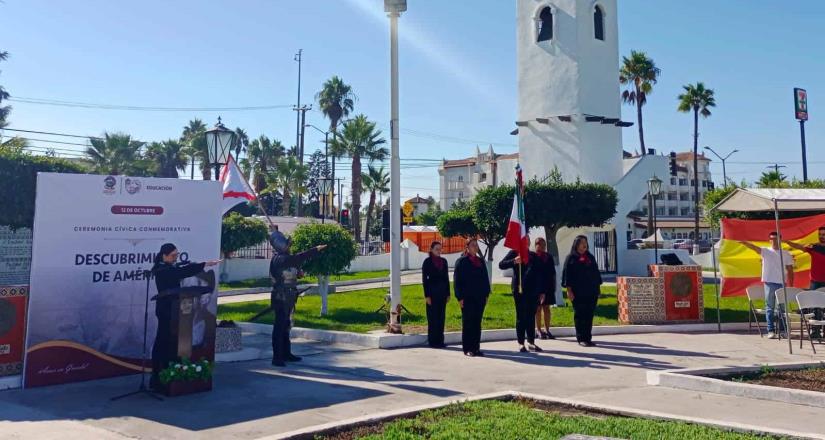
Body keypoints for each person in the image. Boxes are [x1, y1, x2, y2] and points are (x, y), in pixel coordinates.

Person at [150, 243, 220, 389]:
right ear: (164, 255)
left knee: (176, 342)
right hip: (165, 310)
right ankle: (158, 375)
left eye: (177, 255)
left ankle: (175, 370)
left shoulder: (171, 267)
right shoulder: (161, 270)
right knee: (164, 340)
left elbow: (183, 271)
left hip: (176, 310)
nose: (176, 258)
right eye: (173, 256)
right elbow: (182, 272)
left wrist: (203, 265)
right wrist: (204, 264)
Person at [269, 230, 327, 367]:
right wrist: (315, 249)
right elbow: (299, 257)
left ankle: (286, 354)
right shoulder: (280, 259)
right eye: (288, 245)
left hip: (289, 296)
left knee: (286, 326)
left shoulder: (287, 259)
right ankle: (277, 357)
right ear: (281, 246)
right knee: (279, 327)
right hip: (280, 296)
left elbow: (295, 271)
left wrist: (298, 273)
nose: (290, 247)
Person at [739, 231, 794, 339]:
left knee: (782, 308)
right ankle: (771, 330)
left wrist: (791, 285)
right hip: (769, 282)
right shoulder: (766, 251)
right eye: (772, 239)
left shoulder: (786, 254)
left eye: (776, 238)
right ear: (769, 240)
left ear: (780, 240)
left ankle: (783, 330)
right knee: (770, 308)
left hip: (782, 283)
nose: (774, 241)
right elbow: (755, 248)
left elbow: (790, 270)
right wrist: (745, 243)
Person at [499, 244, 544, 353]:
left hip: (533, 291)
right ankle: (520, 343)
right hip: (519, 290)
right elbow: (501, 265)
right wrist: (514, 261)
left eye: (527, 240)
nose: (526, 242)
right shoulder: (514, 253)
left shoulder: (533, 256)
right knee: (521, 316)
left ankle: (531, 342)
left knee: (530, 316)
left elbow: (540, 274)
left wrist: (542, 291)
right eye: (524, 240)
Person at [562, 235, 603, 347]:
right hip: (577, 292)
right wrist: (569, 290)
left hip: (591, 291)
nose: (584, 244)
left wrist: (598, 289)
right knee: (580, 315)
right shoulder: (571, 258)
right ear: (577, 244)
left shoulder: (590, 257)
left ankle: (588, 338)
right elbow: (567, 276)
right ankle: (581, 338)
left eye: (585, 242)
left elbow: (596, 274)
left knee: (589, 315)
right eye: (582, 242)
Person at [785, 227, 825, 338]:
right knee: (815, 307)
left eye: (824, 234)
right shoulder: (814, 247)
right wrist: (788, 242)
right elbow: (799, 247)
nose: (822, 236)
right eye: (820, 234)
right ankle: (815, 332)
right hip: (815, 282)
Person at [454, 238, 490, 357]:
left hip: (479, 297)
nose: (475, 247)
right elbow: (457, 281)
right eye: (473, 245)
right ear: (467, 247)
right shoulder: (461, 262)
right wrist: (459, 297)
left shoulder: (480, 261)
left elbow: (485, 278)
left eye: (476, 245)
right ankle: (468, 348)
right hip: (467, 298)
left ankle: (476, 347)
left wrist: (486, 294)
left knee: (477, 323)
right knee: (468, 323)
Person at [422, 241, 450, 348]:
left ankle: (440, 340)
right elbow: (425, 280)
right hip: (432, 294)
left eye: (440, 249)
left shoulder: (444, 261)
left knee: (441, 317)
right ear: (431, 249)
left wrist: (448, 293)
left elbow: (446, 278)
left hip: (442, 294)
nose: (439, 251)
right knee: (432, 318)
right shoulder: (427, 262)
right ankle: (433, 341)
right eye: (437, 249)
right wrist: (427, 295)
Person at [532, 237, 557, 340]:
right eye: (540, 244)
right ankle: (538, 330)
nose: (542, 246)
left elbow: (553, 272)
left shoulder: (549, 257)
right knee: (537, 308)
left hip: (548, 286)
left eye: (544, 244)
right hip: (536, 286)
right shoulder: (532, 256)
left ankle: (547, 330)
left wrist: (554, 285)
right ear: (536, 245)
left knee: (547, 308)